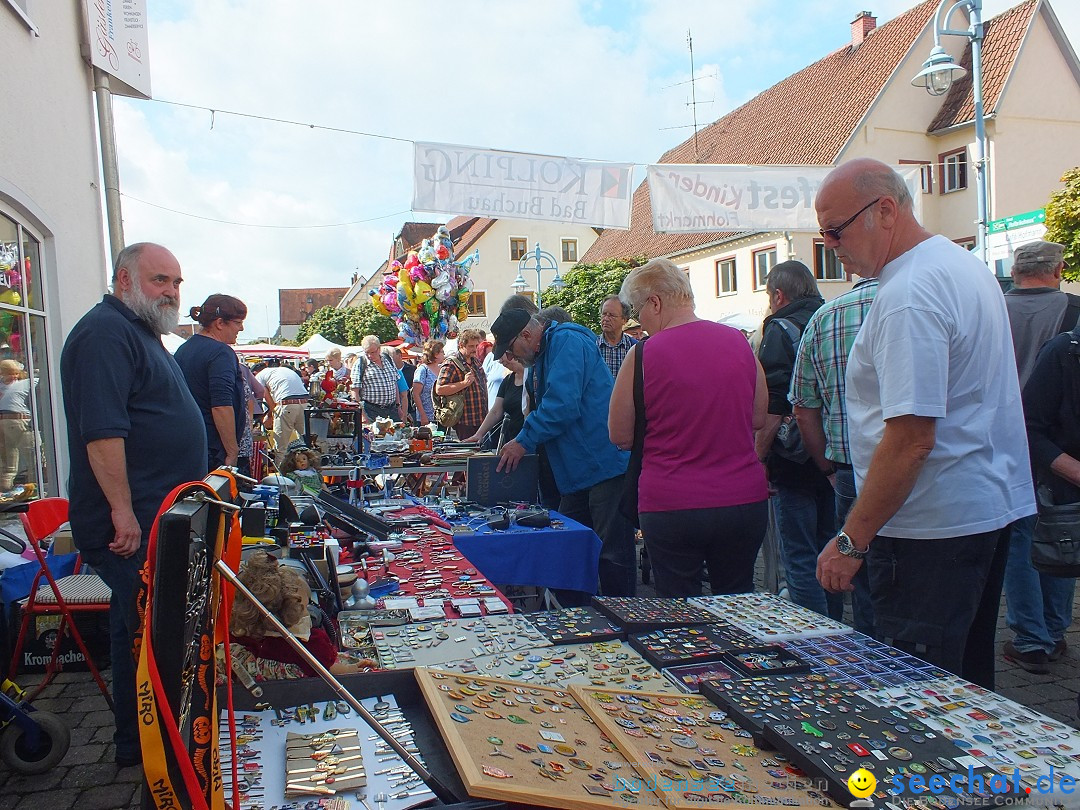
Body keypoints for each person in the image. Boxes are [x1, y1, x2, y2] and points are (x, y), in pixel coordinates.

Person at [814, 158, 1035, 689]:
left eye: (835, 230)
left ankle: (933, 775)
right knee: (966, 682)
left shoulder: (909, 293)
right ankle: (973, 773)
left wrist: (850, 540)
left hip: (928, 529)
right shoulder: (960, 267)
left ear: (885, 210)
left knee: (920, 697)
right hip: (973, 511)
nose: (830, 245)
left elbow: (912, 438)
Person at [60, 242, 207, 767]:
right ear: (124, 280)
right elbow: (103, 434)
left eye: (176, 282)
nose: (171, 291)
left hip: (155, 518)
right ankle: (157, 751)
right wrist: (122, 511)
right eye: (159, 280)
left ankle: (135, 744)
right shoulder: (104, 333)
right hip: (134, 524)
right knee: (152, 638)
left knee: (133, 634)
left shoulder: (139, 332)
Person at [609, 259, 769, 597]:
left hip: (672, 502)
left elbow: (620, 435)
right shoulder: (739, 342)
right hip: (742, 498)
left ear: (655, 302)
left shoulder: (642, 355)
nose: (641, 322)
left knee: (680, 613)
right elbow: (757, 418)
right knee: (738, 600)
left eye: (639, 311)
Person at [494, 304, 637, 599]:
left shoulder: (568, 341)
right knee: (568, 545)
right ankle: (578, 618)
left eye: (510, 350)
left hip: (603, 465)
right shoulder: (544, 354)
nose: (511, 358)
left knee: (612, 554)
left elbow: (562, 405)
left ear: (526, 334)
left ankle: (623, 618)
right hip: (578, 471)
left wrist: (523, 441)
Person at [1002, 240, 1077, 673]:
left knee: (1020, 538)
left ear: (1015, 270)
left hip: (1005, 440)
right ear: (1059, 269)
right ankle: (1053, 629)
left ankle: (1029, 637)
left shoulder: (994, 308)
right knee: (1062, 531)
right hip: (1059, 445)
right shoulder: (1073, 309)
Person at [789, 277, 878, 636]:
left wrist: (826, 466)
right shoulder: (930, 296)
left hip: (849, 469)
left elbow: (802, 409)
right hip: (931, 470)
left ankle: (871, 659)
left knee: (861, 576)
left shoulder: (829, 315)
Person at [754, 261, 838, 621]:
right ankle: (840, 635)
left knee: (800, 558)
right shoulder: (832, 317)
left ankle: (816, 644)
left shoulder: (779, 327)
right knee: (832, 553)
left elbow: (774, 403)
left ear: (778, 294)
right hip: (836, 455)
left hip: (795, 458)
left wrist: (757, 457)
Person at [230, 551, 372, 677]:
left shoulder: (243, 638)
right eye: (305, 606)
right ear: (291, 614)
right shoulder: (312, 644)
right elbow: (328, 670)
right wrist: (352, 668)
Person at [174, 294, 247, 471]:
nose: (242, 328)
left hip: (189, 443)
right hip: (212, 448)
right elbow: (221, 405)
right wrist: (232, 451)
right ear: (220, 323)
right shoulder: (221, 352)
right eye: (238, 323)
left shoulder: (184, 349)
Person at [435, 328, 488, 439]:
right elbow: (439, 389)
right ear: (461, 345)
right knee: (468, 452)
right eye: (471, 346)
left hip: (481, 419)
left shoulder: (475, 361)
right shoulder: (451, 363)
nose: (475, 349)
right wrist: (464, 383)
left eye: (476, 346)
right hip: (465, 421)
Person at [464, 356, 526, 446]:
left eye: (502, 356)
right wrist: (479, 434)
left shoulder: (534, 379)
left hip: (529, 442)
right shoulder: (508, 380)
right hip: (511, 440)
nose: (500, 361)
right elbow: (496, 411)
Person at [255, 359, 310, 454]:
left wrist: (270, 416)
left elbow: (267, 397)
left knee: (280, 448)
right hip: (305, 403)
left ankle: (280, 468)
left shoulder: (259, 376)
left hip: (286, 403)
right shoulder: (282, 371)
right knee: (306, 443)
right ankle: (308, 467)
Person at [0, 359, 34, 499]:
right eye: (11, 374)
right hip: (19, 421)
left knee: (9, 463)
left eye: (15, 374)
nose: (14, 377)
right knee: (33, 457)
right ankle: (33, 488)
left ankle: (6, 493)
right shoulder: (22, 384)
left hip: (3, 422)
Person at [350, 335, 400, 423]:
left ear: (379, 348)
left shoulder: (388, 359)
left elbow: (394, 383)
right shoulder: (360, 363)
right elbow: (355, 392)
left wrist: (398, 405)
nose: (370, 355)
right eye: (367, 352)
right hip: (371, 411)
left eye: (373, 352)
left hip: (392, 410)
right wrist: (362, 415)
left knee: (396, 435)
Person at [597, 294, 636, 378]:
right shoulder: (592, 346)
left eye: (611, 315)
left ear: (624, 320)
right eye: (604, 314)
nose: (606, 319)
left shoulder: (634, 348)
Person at [413, 340, 444, 425]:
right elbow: (416, 394)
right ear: (435, 354)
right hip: (427, 417)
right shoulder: (423, 370)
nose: (444, 354)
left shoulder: (442, 369)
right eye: (442, 352)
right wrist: (423, 415)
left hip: (442, 417)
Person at [385, 345, 412, 423]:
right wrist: (404, 417)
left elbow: (404, 395)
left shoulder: (397, 372)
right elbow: (404, 396)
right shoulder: (397, 372)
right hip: (396, 411)